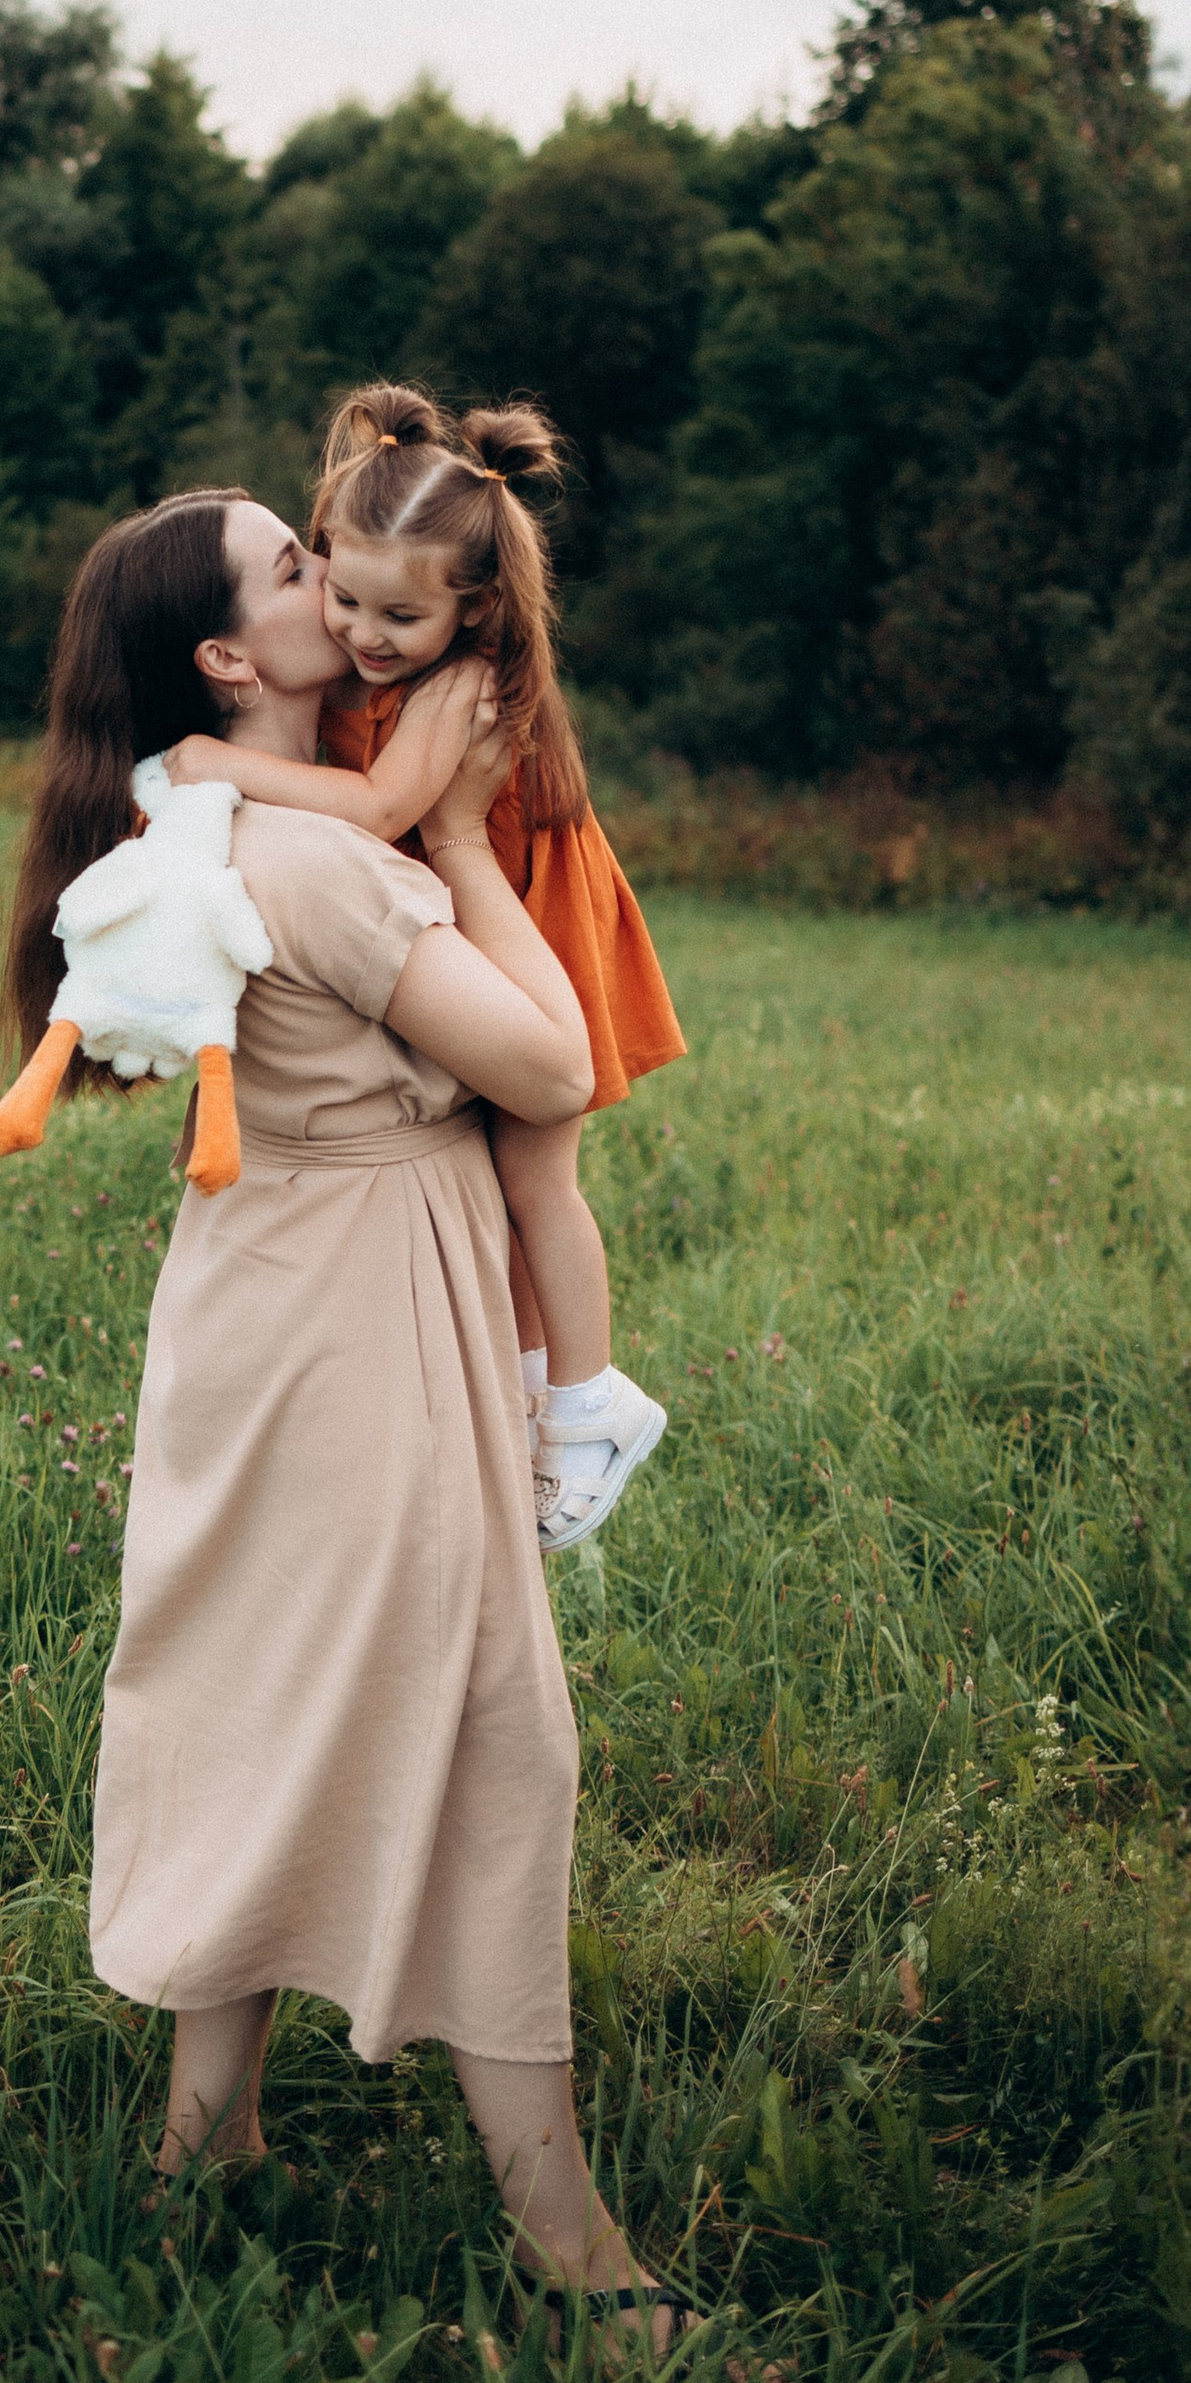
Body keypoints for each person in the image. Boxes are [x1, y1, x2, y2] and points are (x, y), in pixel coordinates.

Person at [0, 486, 692, 2347]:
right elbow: (550, 1061)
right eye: (296, 568)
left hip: (277, 1289)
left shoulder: (220, 818)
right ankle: (569, 2242)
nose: (332, 573)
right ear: (234, 657)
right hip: (356, 1314)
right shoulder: (309, 859)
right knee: (495, 1735)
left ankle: (194, 2155)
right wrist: (459, 832)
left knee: (258, 1694)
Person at [164, 383, 682, 1549]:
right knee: (499, 1189)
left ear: (474, 609)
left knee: (538, 1179)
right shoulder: (386, 660)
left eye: (395, 617)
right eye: (338, 594)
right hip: (479, 912)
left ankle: (592, 1404)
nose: (359, 634)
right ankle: (531, 1393)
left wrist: (217, 763)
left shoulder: (457, 685)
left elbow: (388, 805)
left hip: (536, 923)